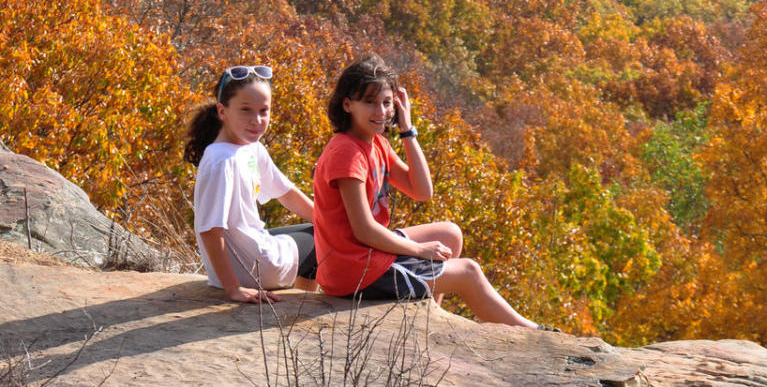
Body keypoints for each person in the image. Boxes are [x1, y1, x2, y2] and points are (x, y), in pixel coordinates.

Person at [313, 55, 539, 327]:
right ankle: (535, 334)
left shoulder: (376, 144)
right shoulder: (347, 153)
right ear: (347, 104)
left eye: (386, 103)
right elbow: (363, 230)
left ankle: (428, 322)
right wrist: (419, 250)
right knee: (468, 272)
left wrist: (407, 129)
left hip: (365, 256)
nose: (380, 112)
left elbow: (422, 191)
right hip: (355, 272)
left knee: (450, 234)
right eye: (369, 102)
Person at [185, 64, 317, 303]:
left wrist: (329, 220)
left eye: (264, 110)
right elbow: (210, 231)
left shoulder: (251, 148)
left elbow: (286, 193)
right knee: (325, 238)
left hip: (248, 259)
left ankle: (303, 301)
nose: (257, 120)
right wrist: (234, 289)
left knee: (325, 228)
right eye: (245, 110)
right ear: (222, 111)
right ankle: (308, 306)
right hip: (251, 269)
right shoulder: (221, 161)